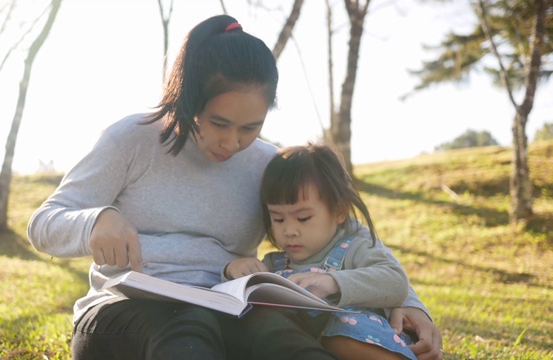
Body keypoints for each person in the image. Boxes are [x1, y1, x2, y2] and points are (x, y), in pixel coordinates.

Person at [27, 14, 443, 360]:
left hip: (229, 307)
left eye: (251, 127)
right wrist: (97, 220)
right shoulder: (131, 140)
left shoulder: (265, 164)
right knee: (188, 326)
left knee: (284, 341)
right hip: (122, 316)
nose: (232, 143)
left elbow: (348, 234)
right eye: (219, 123)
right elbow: (43, 223)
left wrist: (407, 303)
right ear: (187, 100)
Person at [225, 144, 418, 360]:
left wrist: (333, 282)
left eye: (303, 218)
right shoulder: (273, 264)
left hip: (369, 345)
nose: (289, 231)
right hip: (302, 349)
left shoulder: (355, 248)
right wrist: (234, 270)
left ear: (338, 211)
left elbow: (396, 282)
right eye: (278, 219)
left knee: (338, 330)